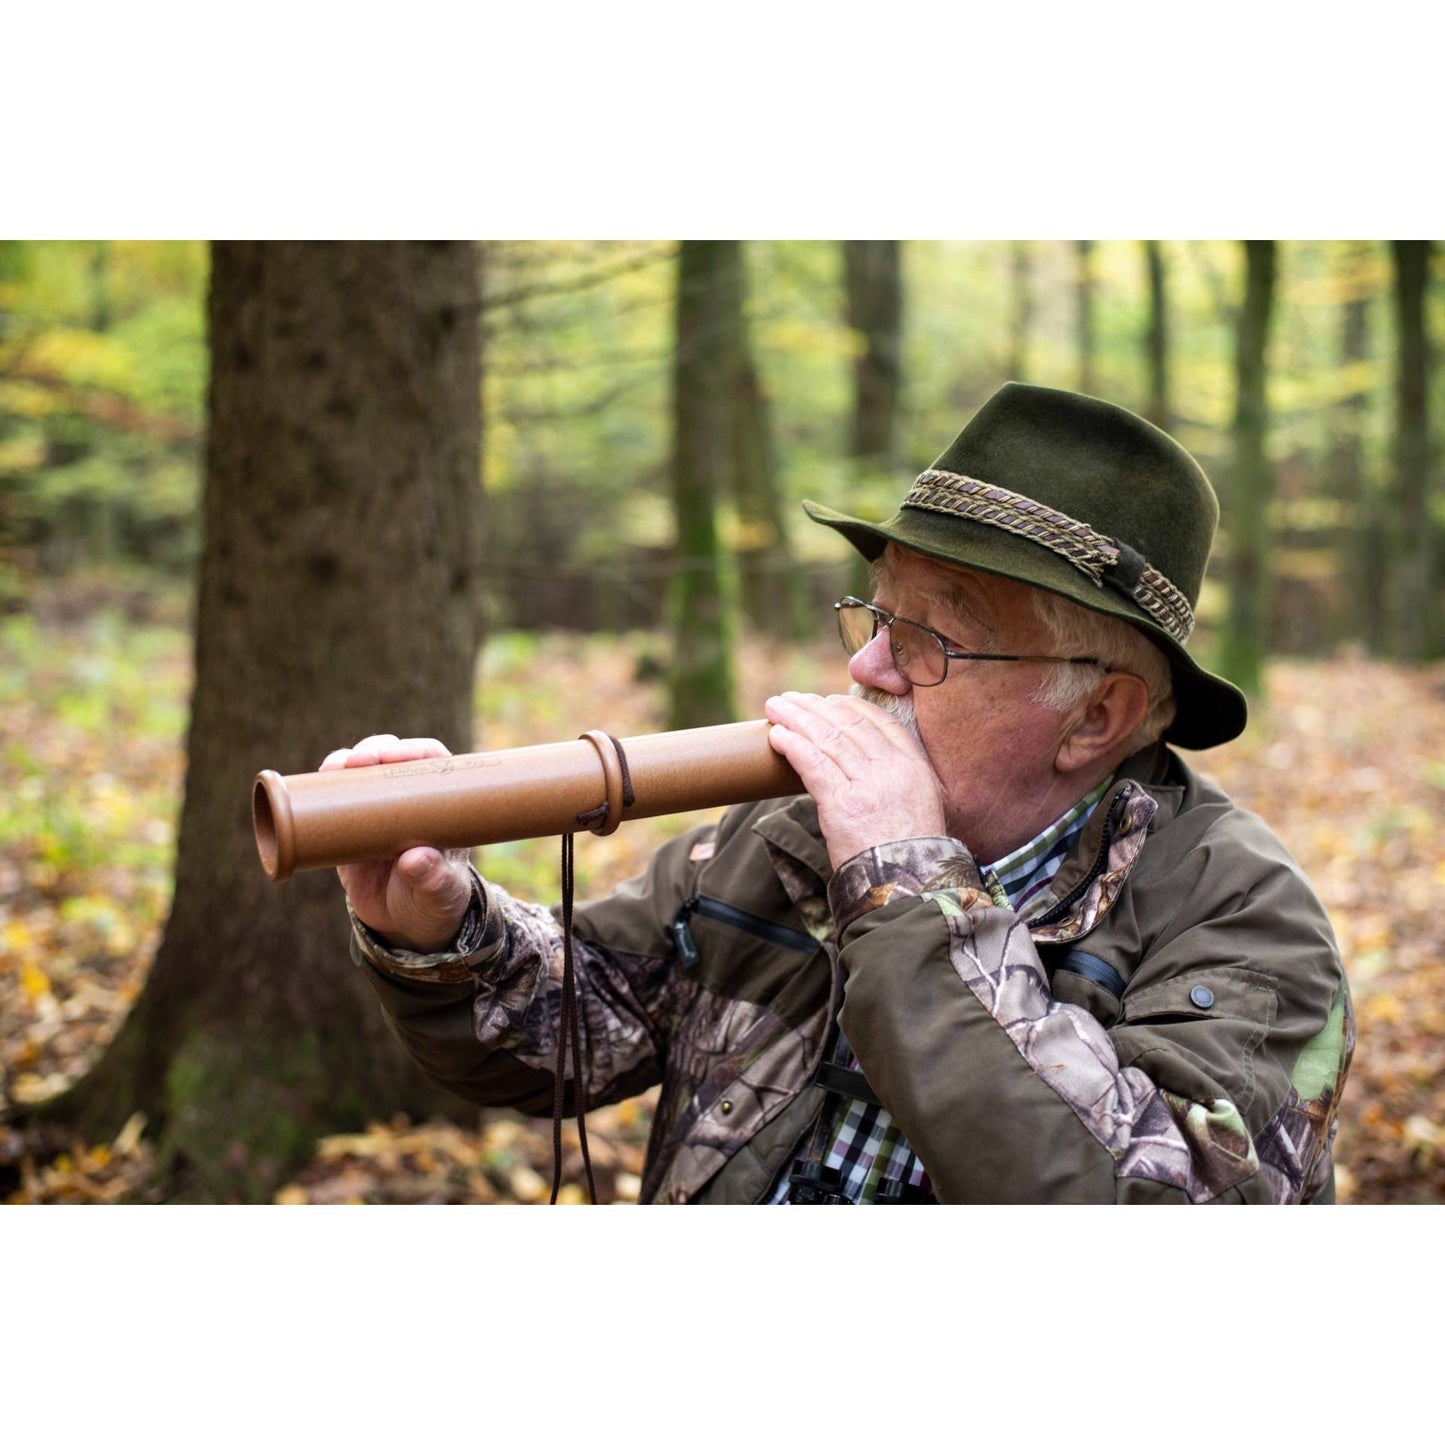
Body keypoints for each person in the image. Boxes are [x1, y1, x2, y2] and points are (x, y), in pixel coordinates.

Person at [331, 382, 1353, 1204]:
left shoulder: (1248, 925)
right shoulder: (787, 830)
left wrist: (906, 890)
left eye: (926, 640)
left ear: (1094, 717)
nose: (867, 671)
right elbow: (590, 1018)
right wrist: (443, 925)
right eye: (874, 618)